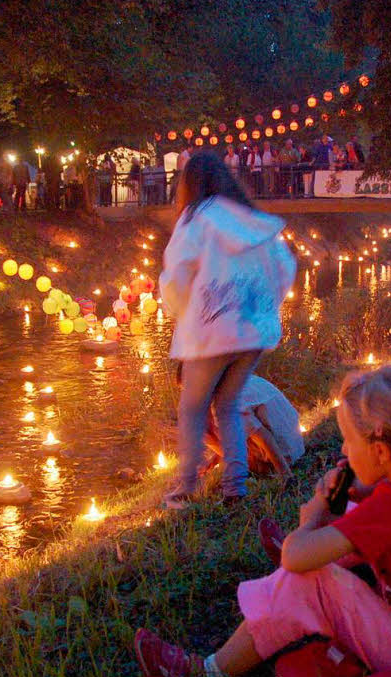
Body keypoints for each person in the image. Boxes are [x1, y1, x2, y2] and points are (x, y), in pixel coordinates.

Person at [135, 366, 391, 677]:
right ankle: (321, 548)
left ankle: (209, 674)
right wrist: (351, 493)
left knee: (307, 580)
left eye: (349, 440)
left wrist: (313, 516)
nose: (343, 448)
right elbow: (385, 522)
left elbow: (295, 560)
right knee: (347, 520)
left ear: (381, 452)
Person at [159, 152, 296, 509]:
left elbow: (176, 275)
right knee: (229, 406)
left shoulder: (196, 219)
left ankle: (186, 488)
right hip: (253, 333)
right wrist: (262, 307)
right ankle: (235, 489)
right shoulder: (253, 221)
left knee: (192, 407)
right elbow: (285, 266)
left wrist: (183, 310)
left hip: (213, 330)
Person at [201, 374, 305, 477]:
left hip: (286, 455)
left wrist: (285, 474)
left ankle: (274, 468)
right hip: (296, 443)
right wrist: (214, 459)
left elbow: (262, 435)